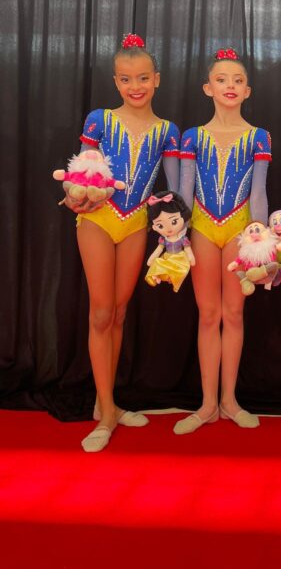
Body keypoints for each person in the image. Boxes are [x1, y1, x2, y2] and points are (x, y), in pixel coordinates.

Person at [63, 34, 181, 452]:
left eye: (144, 78)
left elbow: (175, 189)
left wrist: (178, 234)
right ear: (116, 81)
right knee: (99, 312)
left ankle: (103, 402)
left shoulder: (167, 130)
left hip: (135, 224)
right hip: (98, 219)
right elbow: (83, 169)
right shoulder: (99, 119)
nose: (136, 86)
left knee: (118, 312)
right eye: (127, 79)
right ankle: (108, 413)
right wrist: (77, 194)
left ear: (157, 80)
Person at [175, 48, 270, 434]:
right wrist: (177, 238)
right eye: (221, 79)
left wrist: (260, 241)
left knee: (233, 314)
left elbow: (259, 192)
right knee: (208, 314)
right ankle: (207, 404)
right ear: (207, 88)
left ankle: (230, 401)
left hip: (239, 230)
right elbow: (183, 189)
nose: (229, 86)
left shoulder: (258, 136)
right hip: (200, 227)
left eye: (237, 81)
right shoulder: (193, 136)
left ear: (247, 90)